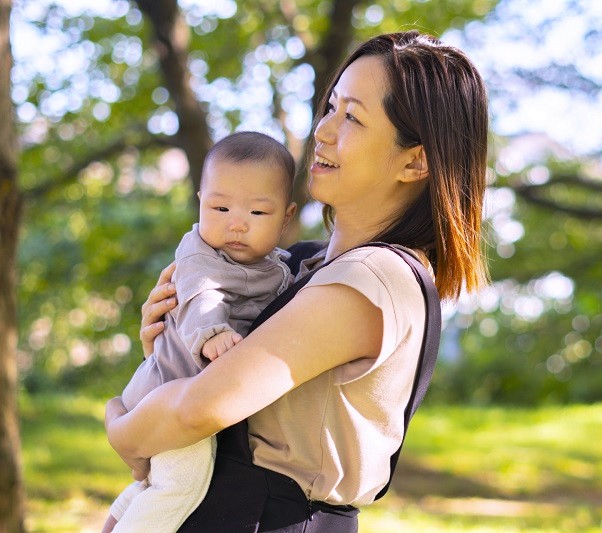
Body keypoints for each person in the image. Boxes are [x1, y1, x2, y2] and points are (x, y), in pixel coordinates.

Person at [105, 30, 488, 532]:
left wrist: (121, 427)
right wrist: (174, 337)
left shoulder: (372, 280)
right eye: (330, 107)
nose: (323, 131)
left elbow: (199, 409)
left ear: (416, 159)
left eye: (352, 117)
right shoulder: (300, 264)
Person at [102, 131, 298, 532]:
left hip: (188, 395)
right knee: (182, 486)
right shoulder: (198, 255)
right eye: (220, 207)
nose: (237, 224)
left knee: (165, 479)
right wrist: (212, 334)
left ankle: (120, 515)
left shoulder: (277, 268)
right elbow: (200, 298)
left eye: (258, 213)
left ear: (286, 218)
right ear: (200, 203)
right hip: (169, 388)